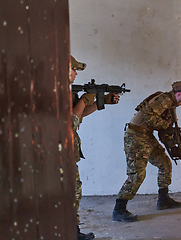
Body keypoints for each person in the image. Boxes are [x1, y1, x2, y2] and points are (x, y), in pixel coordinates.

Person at [112, 80, 181, 222]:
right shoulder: (164, 100)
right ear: (179, 94)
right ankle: (119, 209)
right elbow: (148, 117)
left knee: (165, 163)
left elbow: (162, 130)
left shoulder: (170, 104)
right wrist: (166, 126)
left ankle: (163, 200)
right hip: (136, 136)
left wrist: (172, 146)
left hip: (146, 135)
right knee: (137, 174)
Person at [70, 55, 120, 240]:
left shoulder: (64, 92)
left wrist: (102, 102)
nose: (75, 73)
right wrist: (84, 100)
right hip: (58, 156)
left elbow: (79, 115)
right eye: (73, 69)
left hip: (68, 154)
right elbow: (70, 123)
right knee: (72, 193)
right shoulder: (54, 93)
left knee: (74, 193)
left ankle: (73, 232)